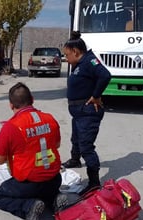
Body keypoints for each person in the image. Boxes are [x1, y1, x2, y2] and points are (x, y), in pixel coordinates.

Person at [0, 82, 68, 220]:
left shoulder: (11, 127)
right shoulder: (49, 118)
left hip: (28, 184)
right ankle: (54, 199)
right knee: (45, 190)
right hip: (54, 179)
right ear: (32, 99)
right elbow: (56, 145)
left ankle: (29, 206)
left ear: (11, 105)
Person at [62, 31, 111, 195]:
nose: (66, 59)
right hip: (78, 112)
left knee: (86, 146)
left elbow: (105, 75)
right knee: (76, 138)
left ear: (75, 52)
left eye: (67, 55)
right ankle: (75, 160)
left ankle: (94, 182)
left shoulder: (89, 60)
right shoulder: (79, 64)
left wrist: (96, 96)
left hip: (88, 112)